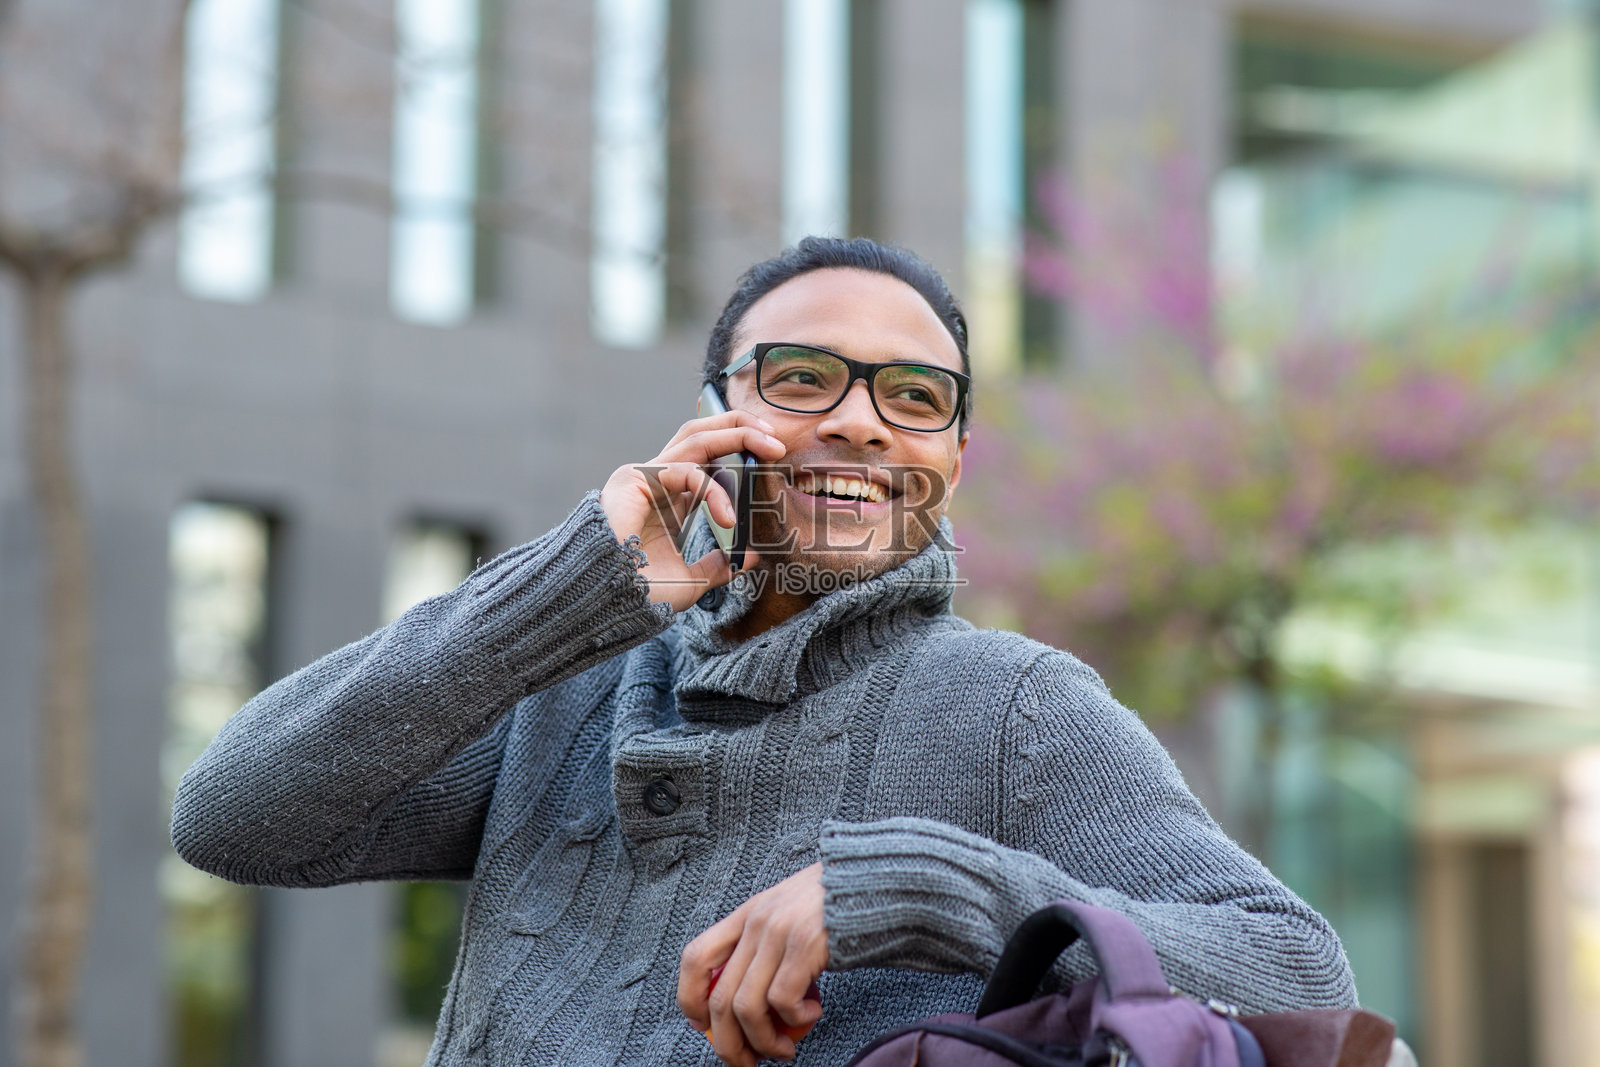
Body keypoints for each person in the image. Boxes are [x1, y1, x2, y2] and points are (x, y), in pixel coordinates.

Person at [171, 237, 1357, 1067]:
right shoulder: (572, 681)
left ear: (952, 454)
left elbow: (1297, 971)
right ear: (711, 411)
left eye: (914, 394)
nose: (856, 418)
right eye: (801, 377)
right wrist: (574, 586)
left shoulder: (1016, 707)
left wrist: (915, 886)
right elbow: (234, 816)